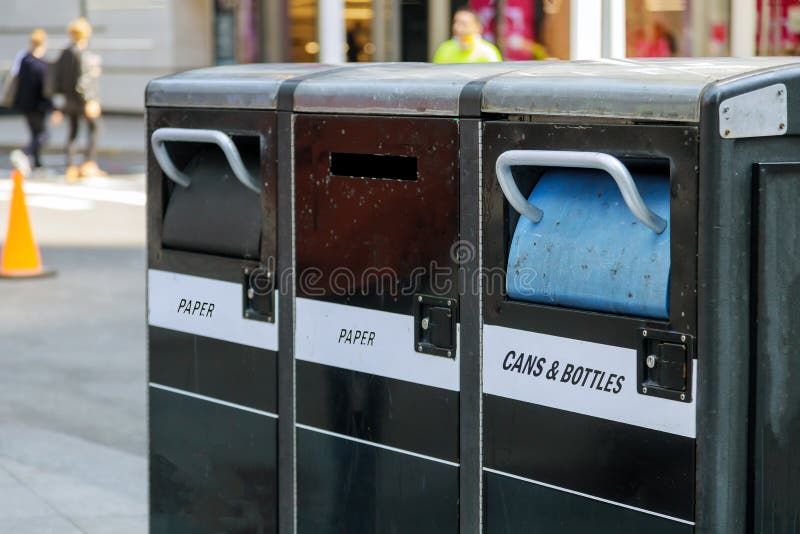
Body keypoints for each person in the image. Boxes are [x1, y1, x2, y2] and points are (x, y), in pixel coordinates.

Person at [49, 17, 105, 181]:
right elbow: (83, 80)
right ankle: (89, 163)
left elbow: (57, 78)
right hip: (82, 100)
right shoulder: (81, 52)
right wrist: (89, 100)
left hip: (69, 100)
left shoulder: (64, 52)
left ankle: (71, 166)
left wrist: (60, 105)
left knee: (72, 132)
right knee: (95, 129)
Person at [12, 29, 53, 170]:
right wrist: (52, 108)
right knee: (43, 135)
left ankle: (37, 164)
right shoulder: (41, 66)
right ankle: (24, 153)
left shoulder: (24, 60)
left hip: (24, 104)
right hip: (37, 105)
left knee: (35, 134)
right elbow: (46, 90)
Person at [433, 7, 502, 64]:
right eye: (455, 22)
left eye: (463, 24)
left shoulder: (488, 51)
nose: (457, 27)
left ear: (477, 27)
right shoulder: (444, 48)